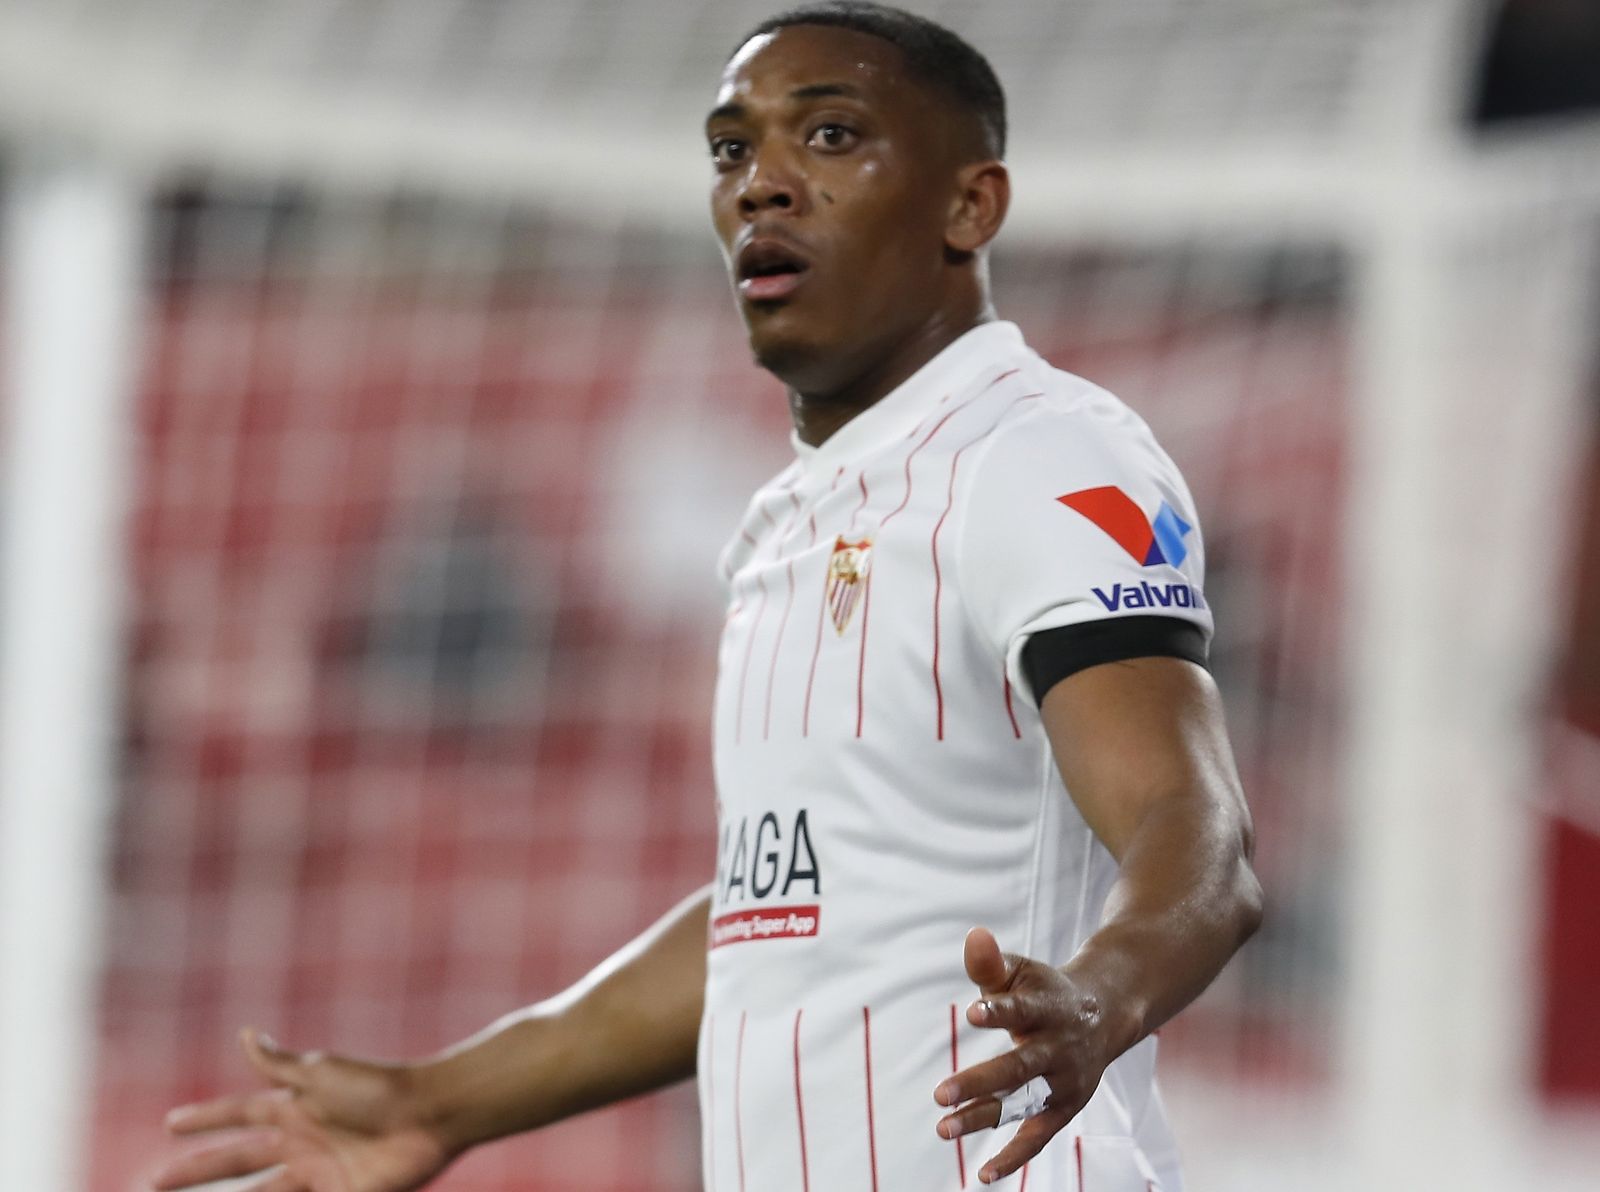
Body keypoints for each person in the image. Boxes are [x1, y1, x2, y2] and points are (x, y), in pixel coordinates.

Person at [151, 4, 1261, 1190]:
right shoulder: (788, 522)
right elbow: (781, 907)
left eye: (830, 137)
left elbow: (1198, 835)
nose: (763, 185)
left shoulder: (1041, 456)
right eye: (732, 149)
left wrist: (1101, 992)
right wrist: (441, 1100)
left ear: (969, 205)